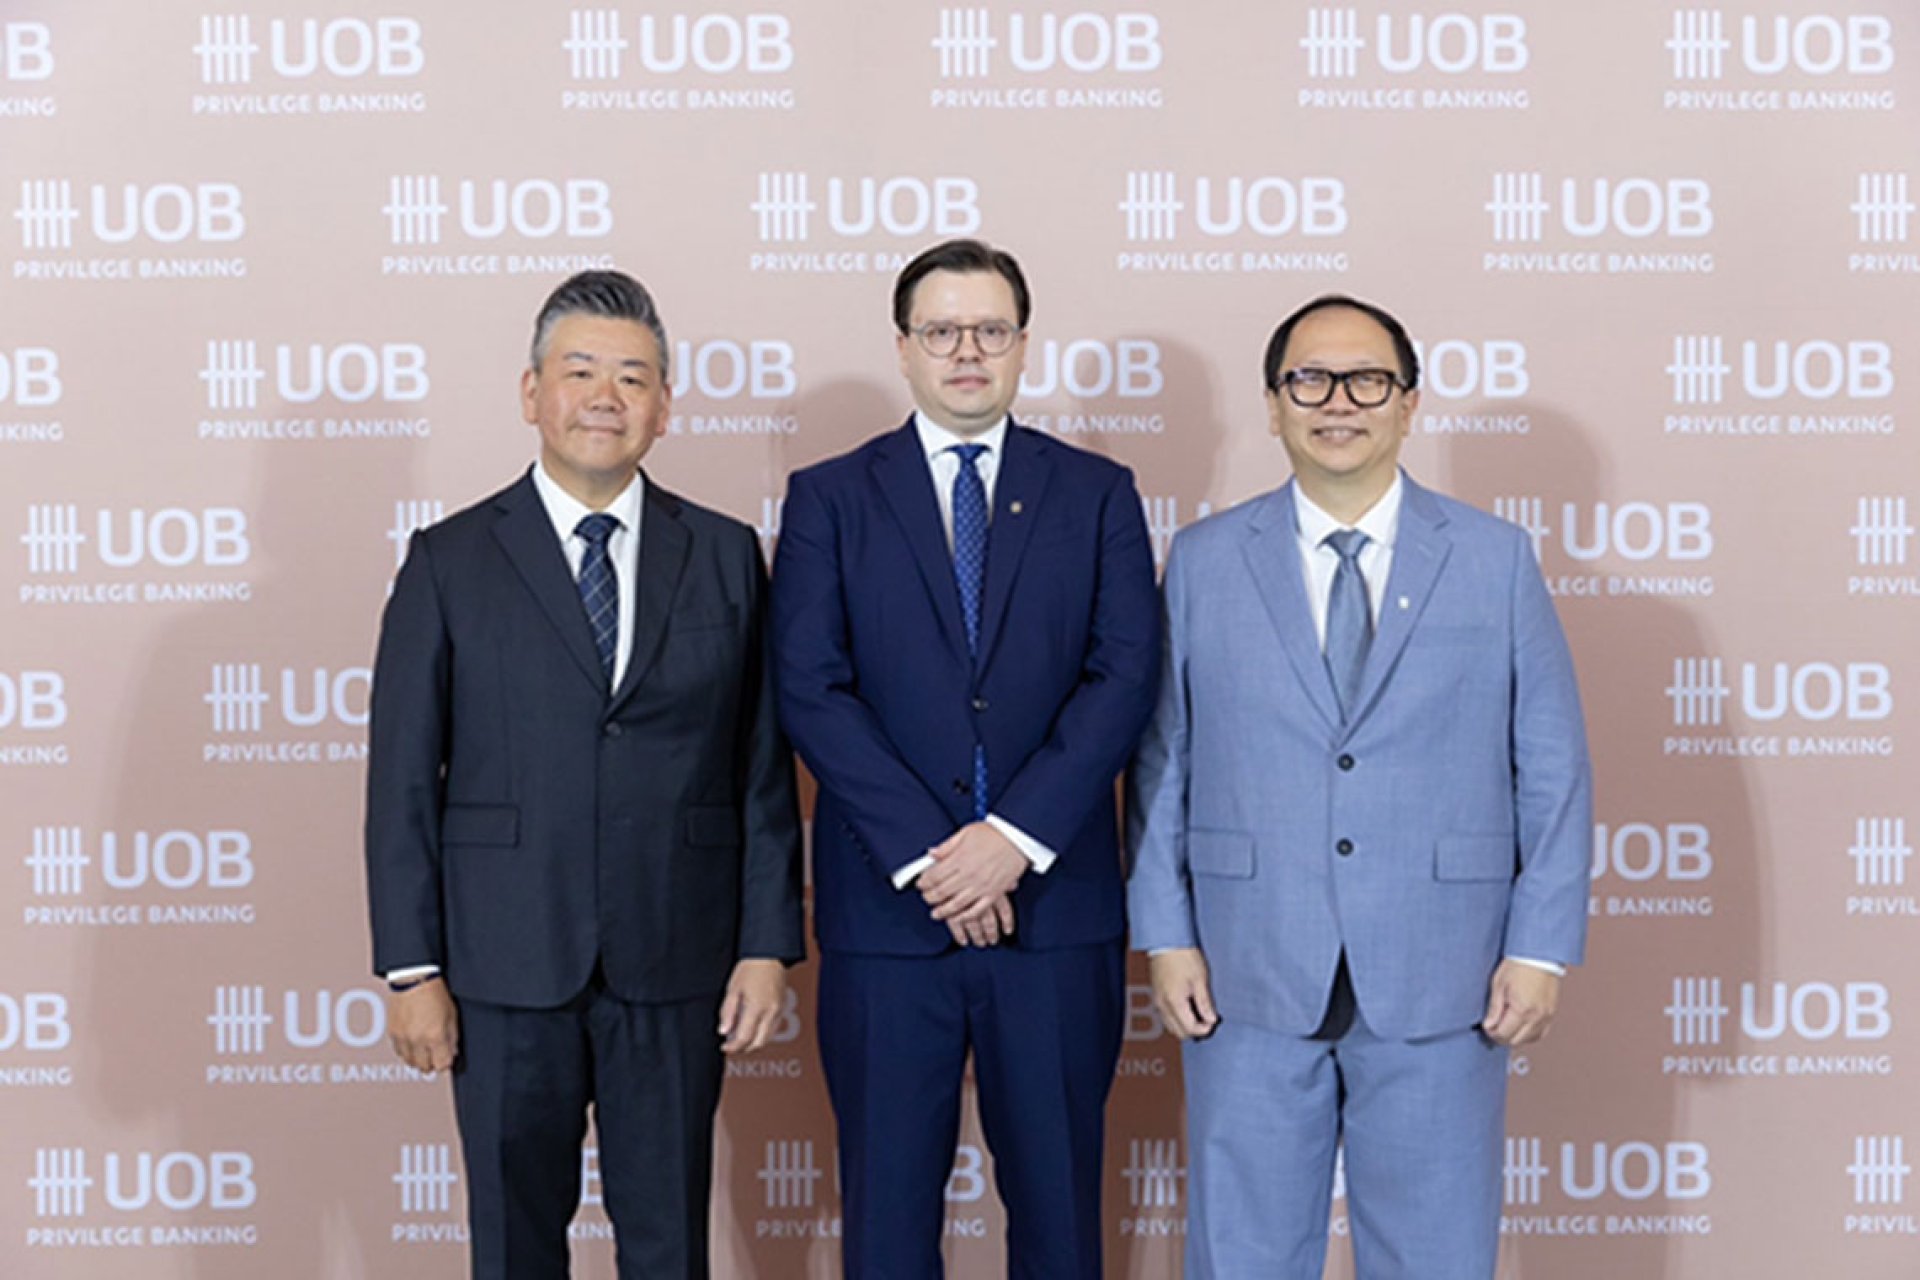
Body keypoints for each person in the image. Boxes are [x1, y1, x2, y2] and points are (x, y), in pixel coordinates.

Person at [1126, 294, 1591, 1278]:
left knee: (1434, 1255)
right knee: (1241, 1255)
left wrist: (1539, 947)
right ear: (1272, 405)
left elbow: (1551, 766)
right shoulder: (1205, 561)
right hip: (1246, 970)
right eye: (1309, 380)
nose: (1338, 401)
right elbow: (1165, 757)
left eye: (1368, 380)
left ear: (1409, 403)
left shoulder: (1495, 559)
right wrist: (1166, 935)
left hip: (1446, 973)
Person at [363, 270, 804, 1280]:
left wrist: (766, 943)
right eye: (581, 372)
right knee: (514, 1246)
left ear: (665, 406)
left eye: (634, 377)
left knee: (670, 1244)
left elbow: (760, 766)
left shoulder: (726, 554)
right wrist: (412, 968)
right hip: (504, 964)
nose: (607, 396)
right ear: (532, 393)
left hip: (678, 959)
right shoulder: (448, 560)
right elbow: (402, 783)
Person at [770, 238, 1159, 1278]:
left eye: (991, 329)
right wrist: (936, 856)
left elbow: (1123, 677)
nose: (967, 351)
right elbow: (811, 687)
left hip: (1054, 916)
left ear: (1024, 345)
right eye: (942, 330)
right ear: (903, 348)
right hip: (890, 918)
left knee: (1062, 1222)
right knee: (887, 1229)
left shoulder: (1097, 492)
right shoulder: (831, 497)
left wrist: (1011, 841)